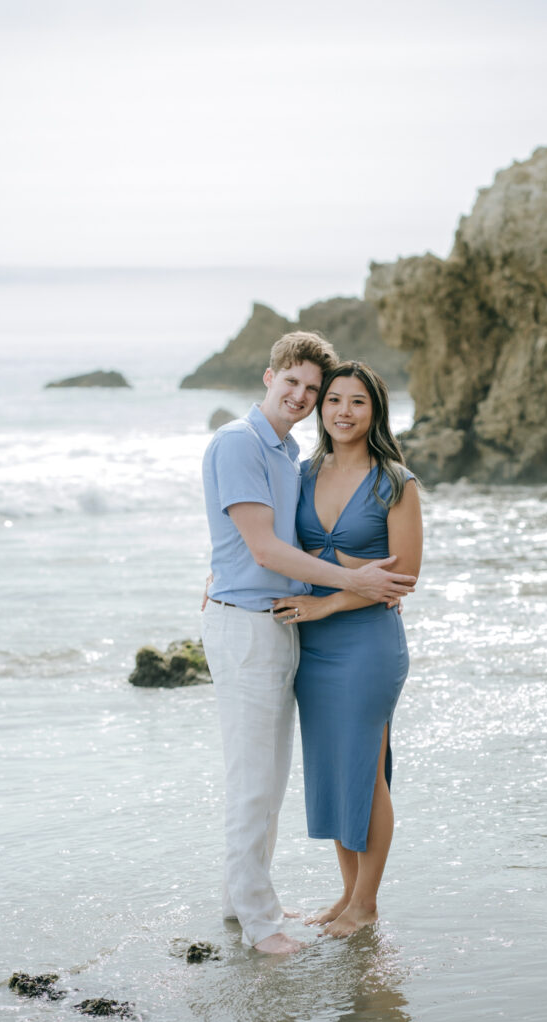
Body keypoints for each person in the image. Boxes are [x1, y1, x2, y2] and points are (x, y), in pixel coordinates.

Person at [201, 334, 418, 955]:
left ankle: (347, 902)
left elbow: (375, 568)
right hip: (273, 628)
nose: (320, 404)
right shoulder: (264, 453)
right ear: (269, 379)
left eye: (325, 393)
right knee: (283, 777)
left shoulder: (333, 466)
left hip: (332, 635)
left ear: (373, 411)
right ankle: (273, 909)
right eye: (304, 389)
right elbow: (263, 546)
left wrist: (354, 587)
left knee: (343, 774)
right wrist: (354, 581)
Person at [273, 360, 423, 938]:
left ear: (375, 411)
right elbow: (274, 547)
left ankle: (367, 904)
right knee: (334, 771)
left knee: (366, 771)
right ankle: (346, 892)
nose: (342, 411)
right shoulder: (301, 473)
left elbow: (404, 575)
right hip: (312, 646)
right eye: (333, 399)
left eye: (357, 401)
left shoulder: (396, 482)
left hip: (367, 645)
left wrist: (329, 602)